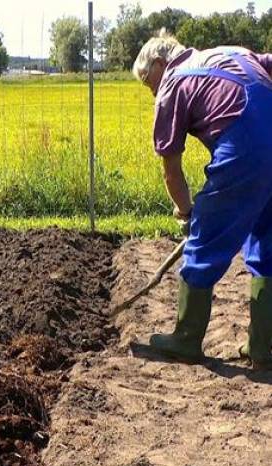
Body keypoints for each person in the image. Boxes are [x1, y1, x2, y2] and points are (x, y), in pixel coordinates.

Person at [132, 30, 272, 370]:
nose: (152, 91)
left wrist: (187, 214)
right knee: (267, 246)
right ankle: (263, 348)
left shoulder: (172, 83)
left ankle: (185, 339)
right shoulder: (234, 51)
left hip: (245, 154)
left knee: (203, 242)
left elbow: (171, 170)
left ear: (162, 64)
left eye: (149, 82)